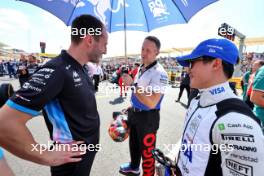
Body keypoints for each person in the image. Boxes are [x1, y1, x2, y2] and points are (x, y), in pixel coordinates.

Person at [0, 14, 108, 176]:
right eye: (104, 44)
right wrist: (45, 155)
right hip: (69, 163)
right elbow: (4, 123)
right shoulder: (56, 70)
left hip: (84, 155)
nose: (105, 50)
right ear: (89, 40)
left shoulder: (81, 67)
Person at [175, 38, 264, 176]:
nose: (187, 68)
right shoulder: (196, 100)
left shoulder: (237, 120)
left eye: (192, 62)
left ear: (216, 64)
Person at [120, 36, 168, 176]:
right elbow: (139, 94)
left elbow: (152, 101)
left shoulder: (160, 73)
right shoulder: (142, 67)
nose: (143, 53)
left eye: (148, 50)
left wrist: (133, 86)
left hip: (148, 117)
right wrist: (132, 106)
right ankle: (134, 167)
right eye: (142, 48)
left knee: (147, 152)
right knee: (134, 144)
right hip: (135, 113)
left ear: (156, 53)